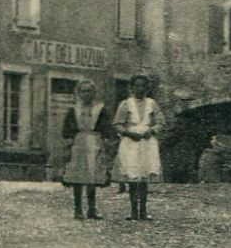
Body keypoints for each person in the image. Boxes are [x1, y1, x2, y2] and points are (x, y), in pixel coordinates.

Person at [112, 75, 165, 221]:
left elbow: (161, 122)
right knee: (133, 176)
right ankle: (133, 210)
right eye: (137, 86)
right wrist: (128, 133)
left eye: (143, 86)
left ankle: (143, 210)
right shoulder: (125, 104)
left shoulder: (152, 103)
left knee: (144, 177)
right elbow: (117, 123)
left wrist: (152, 130)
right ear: (132, 88)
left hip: (147, 143)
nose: (140, 89)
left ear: (147, 88)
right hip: (131, 143)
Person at [61, 80, 113, 220]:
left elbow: (106, 128)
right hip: (78, 143)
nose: (86, 94)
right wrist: (68, 145)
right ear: (79, 93)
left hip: (94, 141)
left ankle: (91, 208)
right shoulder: (74, 110)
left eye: (89, 91)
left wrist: (106, 142)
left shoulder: (100, 109)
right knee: (78, 176)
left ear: (94, 93)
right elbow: (67, 129)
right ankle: (78, 208)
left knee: (92, 175)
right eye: (83, 91)